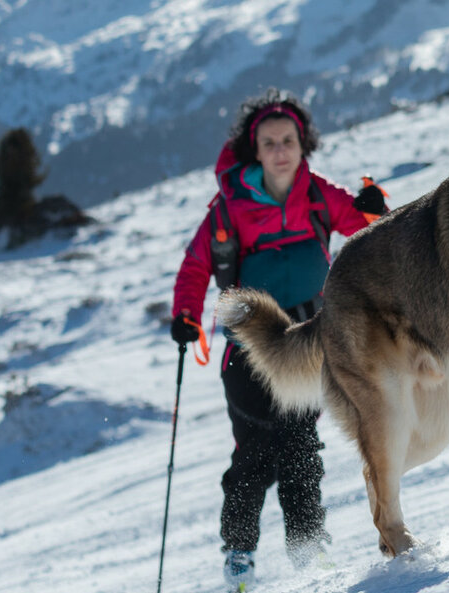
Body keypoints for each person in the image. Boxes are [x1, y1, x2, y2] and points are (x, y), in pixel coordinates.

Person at [168, 89, 388, 589]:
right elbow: (197, 263)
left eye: (288, 140)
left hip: (311, 344)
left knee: (300, 447)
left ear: (302, 143)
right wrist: (186, 315)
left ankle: (308, 550)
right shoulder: (230, 208)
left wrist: (373, 208)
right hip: (248, 352)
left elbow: (364, 228)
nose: (281, 150)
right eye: (270, 143)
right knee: (255, 453)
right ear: (255, 149)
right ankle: (240, 554)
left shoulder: (317, 193)